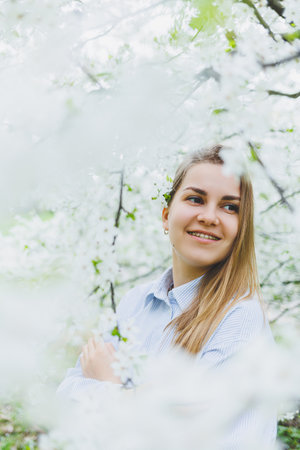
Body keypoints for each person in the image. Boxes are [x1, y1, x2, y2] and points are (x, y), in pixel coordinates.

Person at [57, 145, 277, 447]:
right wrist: (137, 398)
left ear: (241, 227)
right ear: (165, 216)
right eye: (195, 199)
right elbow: (66, 398)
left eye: (230, 207)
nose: (210, 217)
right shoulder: (135, 303)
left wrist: (109, 387)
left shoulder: (240, 318)